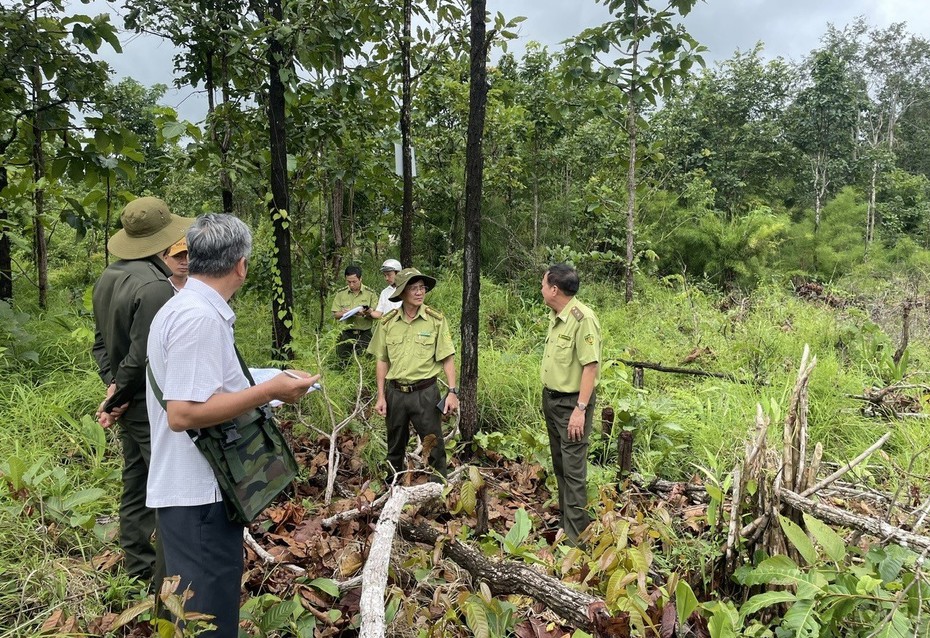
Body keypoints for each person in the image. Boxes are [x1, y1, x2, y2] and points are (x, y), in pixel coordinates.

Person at [146, 214, 319, 637]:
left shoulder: (188, 307)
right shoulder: (198, 319)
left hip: (197, 493)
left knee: (197, 614)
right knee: (210, 621)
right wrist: (268, 391)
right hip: (199, 496)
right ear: (241, 264)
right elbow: (183, 412)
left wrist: (270, 378)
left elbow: (207, 380)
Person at [92, 196, 191, 584]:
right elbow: (143, 355)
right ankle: (167, 582)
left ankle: (137, 567)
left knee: (135, 483)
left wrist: (113, 388)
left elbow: (100, 344)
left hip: (128, 400)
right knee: (168, 489)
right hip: (148, 404)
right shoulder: (156, 288)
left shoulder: (108, 276)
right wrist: (119, 396)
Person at [367, 268, 458, 481]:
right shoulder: (388, 322)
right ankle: (392, 491)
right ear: (402, 293)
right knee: (394, 447)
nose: (419, 292)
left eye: (422, 288)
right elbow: (382, 360)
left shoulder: (435, 320)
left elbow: (447, 357)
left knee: (434, 447)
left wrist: (452, 391)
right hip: (395, 393)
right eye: (414, 288)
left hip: (425, 393)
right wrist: (381, 396)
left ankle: (439, 492)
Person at [539, 263, 601, 545]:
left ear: (554, 289)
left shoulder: (582, 318)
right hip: (552, 400)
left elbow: (590, 367)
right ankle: (567, 521)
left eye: (543, 284)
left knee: (574, 472)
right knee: (561, 465)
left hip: (572, 405)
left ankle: (578, 542)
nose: (541, 289)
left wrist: (580, 409)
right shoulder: (558, 315)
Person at [331, 265, 379, 362]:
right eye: (348, 282)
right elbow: (335, 314)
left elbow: (377, 314)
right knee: (342, 362)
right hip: (346, 333)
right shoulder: (341, 293)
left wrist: (367, 313)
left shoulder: (370, 294)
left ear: (360, 279)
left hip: (364, 333)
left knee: (365, 361)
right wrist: (343, 313)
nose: (351, 285)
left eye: (354, 282)